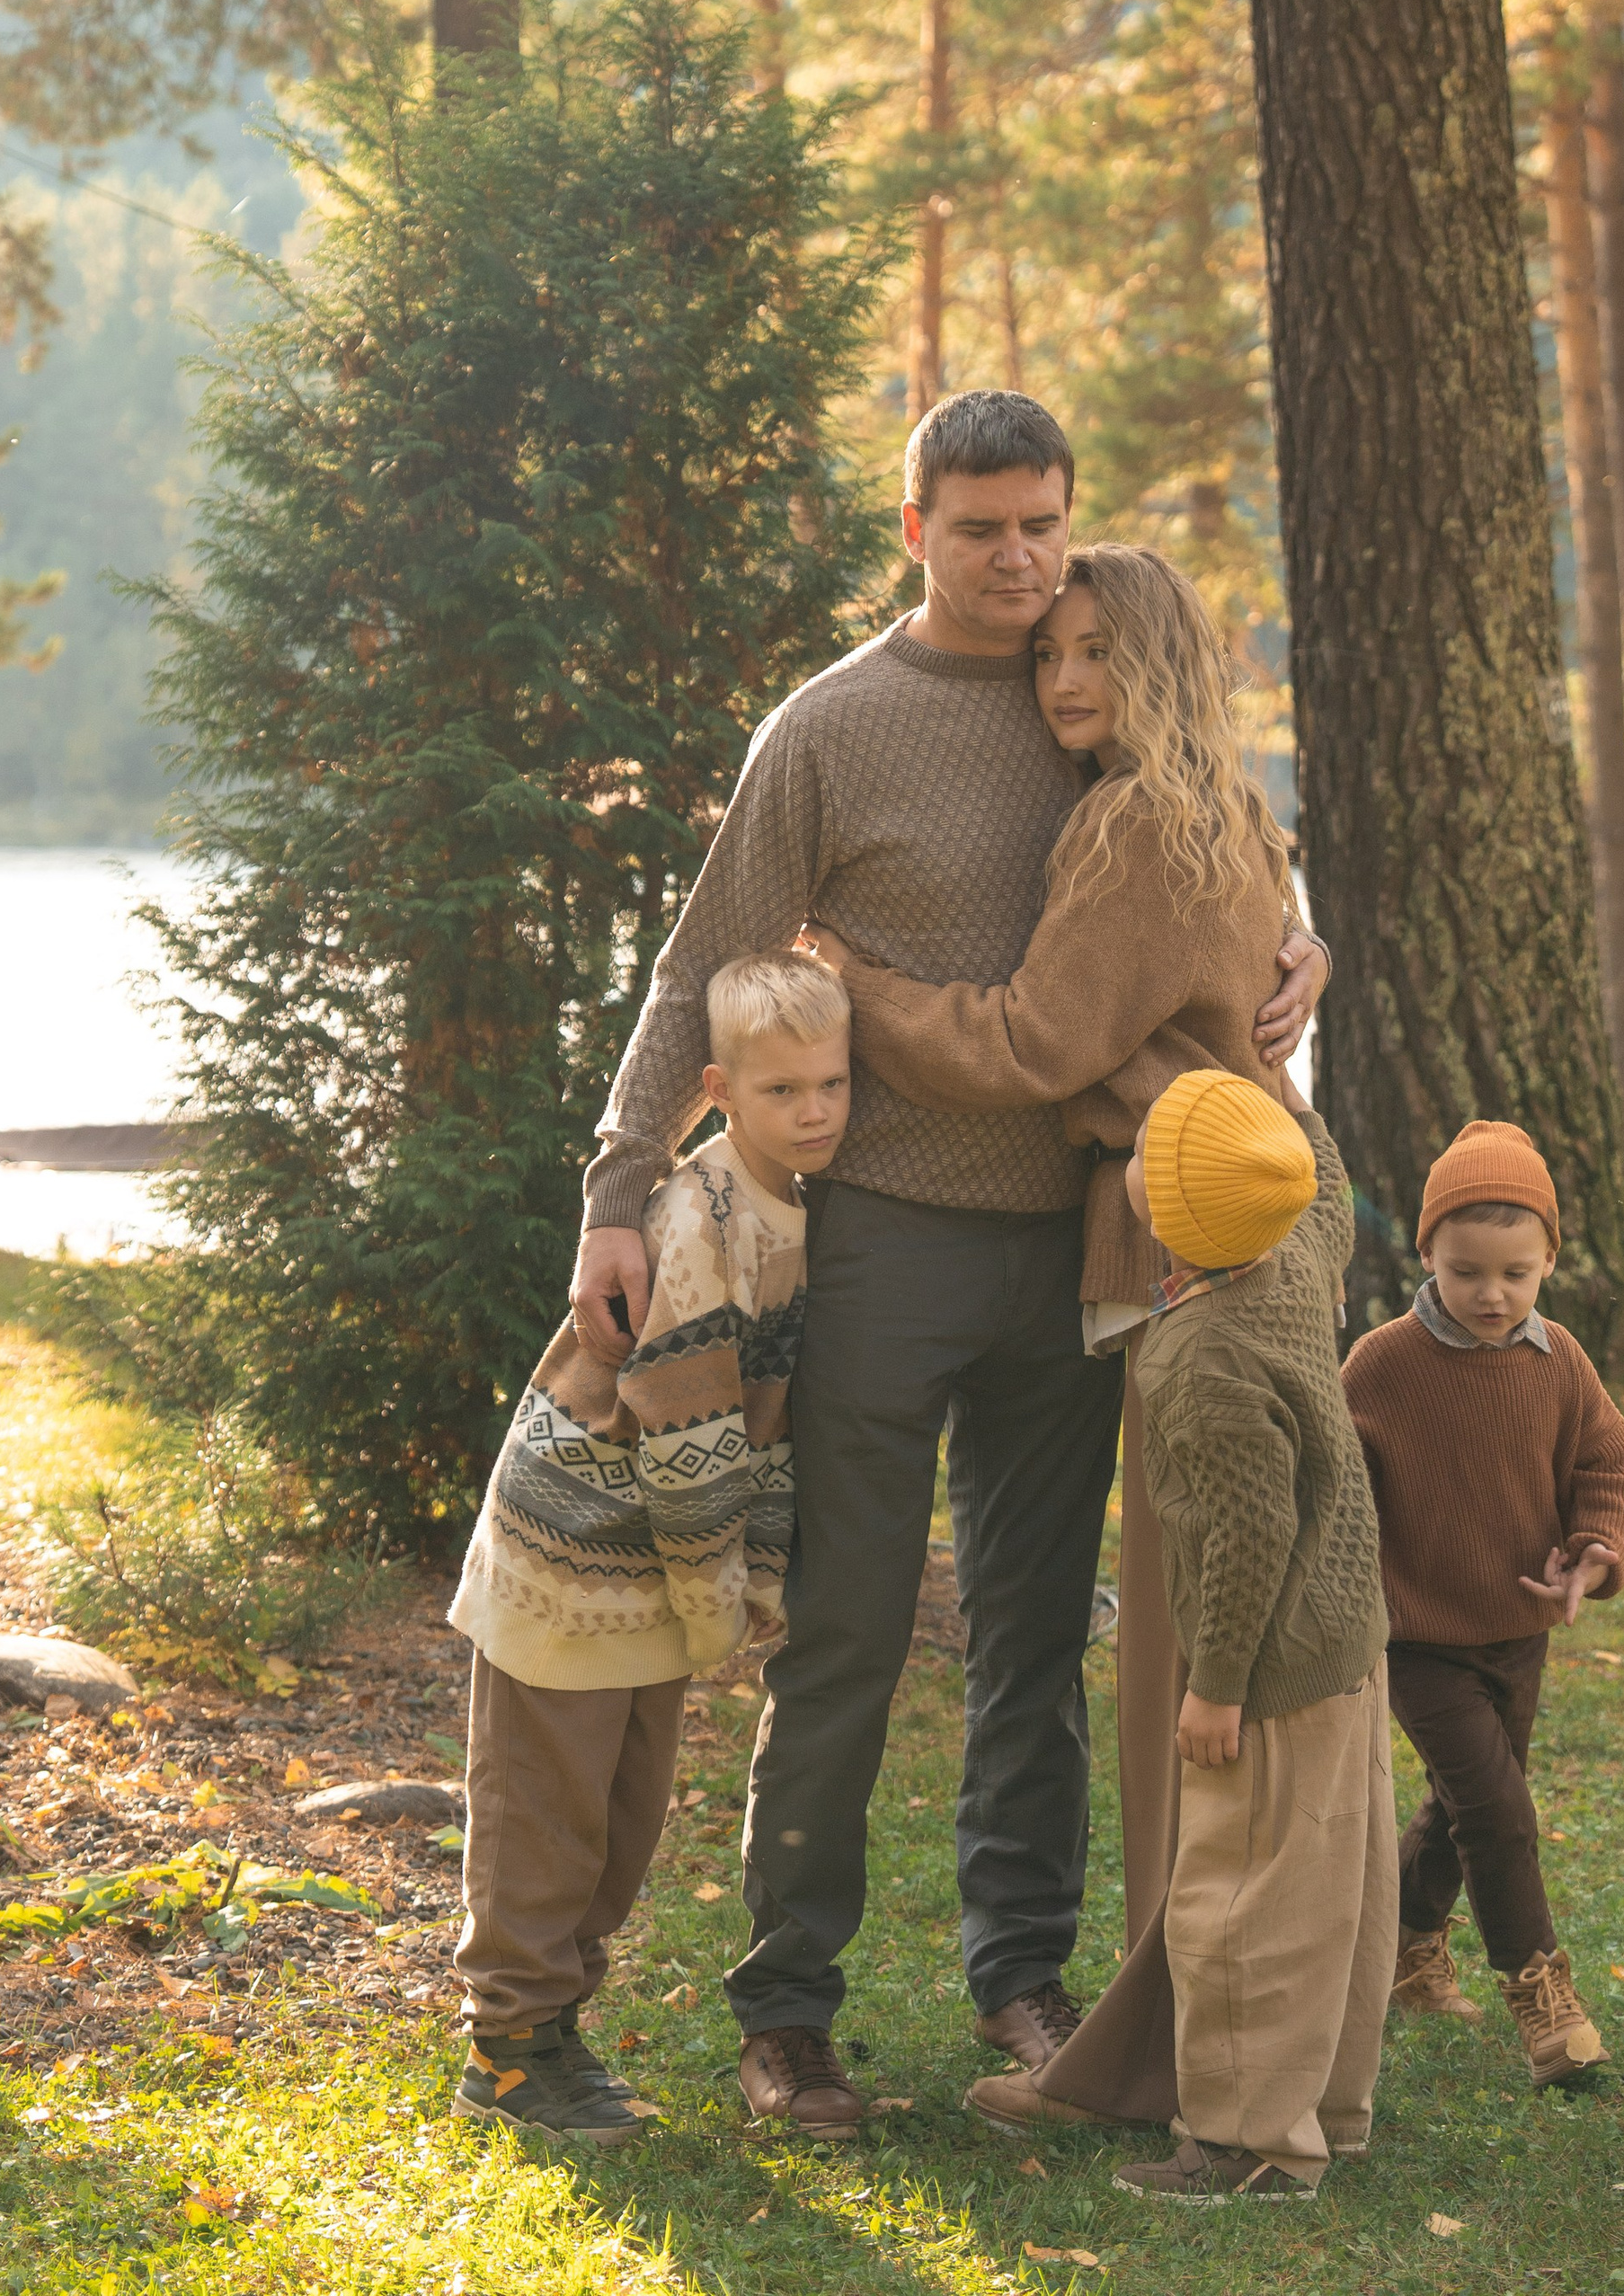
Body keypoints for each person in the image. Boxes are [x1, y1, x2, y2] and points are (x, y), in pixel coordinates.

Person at [567, 392, 1326, 2145]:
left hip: (1080, 1241)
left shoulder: (1096, 691)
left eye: (1040, 522)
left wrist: (1305, 944)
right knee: (838, 1636)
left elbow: (1214, 856)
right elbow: (700, 969)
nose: (1016, 559)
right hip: (888, 1237)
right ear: (912, 527)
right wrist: (619, 1181)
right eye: (979, 528)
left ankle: (1023, 1978)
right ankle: (788, 2016)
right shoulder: (829, 729)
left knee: (1031, 1638)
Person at [808, 541, 1322, 2135]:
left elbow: (1029, 1042)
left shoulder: (1128, 824)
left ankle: (1172, 2052)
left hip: (1195, 1245)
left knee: (1197, 1659)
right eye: (1051, 655)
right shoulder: (1237, 819)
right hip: (1272, 1216)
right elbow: (1248, 971)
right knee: (1266, 1644)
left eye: (1097, 650)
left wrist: (857, 984)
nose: (1065, 678)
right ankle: (1239, 2030)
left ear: (1161, 662)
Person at [447, 954, 848, 2145]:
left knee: (621, 1821)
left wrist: (739, 1578)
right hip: (569, 1560)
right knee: (545, 1811)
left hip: (650, 1580)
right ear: (720, 1091)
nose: (816, 1111)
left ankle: (556, 2030)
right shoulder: (699, 1218)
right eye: (784, 1092)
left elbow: (765, 1423)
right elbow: (688, 1435)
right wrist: (720, 1594)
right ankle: (509, 2050)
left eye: (832, 1084)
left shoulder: (805, 1207)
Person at [1105, 1070, 1397, 2203]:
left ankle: (1244, 2142)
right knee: (1339, 1886)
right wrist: (1285, 1092)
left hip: (1269, 1667)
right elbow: (1320, 1180)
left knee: (1242, 1907)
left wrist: (1214, 1684)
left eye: (1145, 1153)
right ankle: (1329, 2106)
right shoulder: (1298, 1260)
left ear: (1170, 1214)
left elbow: (1246, 1529)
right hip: (1348, 1639)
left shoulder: (1194, 1356)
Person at [1340, 1120, 1624, 2088]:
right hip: (1418, 1635)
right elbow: (1336, 1488)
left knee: (1464, 1800)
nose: (1490, 1294)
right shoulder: (1382, 1366)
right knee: (1497, 1810)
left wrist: (1593, 1555)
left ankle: (1400, 1945)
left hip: (1519, 1632)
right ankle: (1542, 2002)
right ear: (1426, 1251)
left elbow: (1610, 1464)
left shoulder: (1557, 1361)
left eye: (1515, 1273)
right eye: (1466, 1270)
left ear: (1549, 1259)